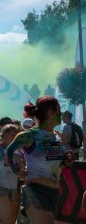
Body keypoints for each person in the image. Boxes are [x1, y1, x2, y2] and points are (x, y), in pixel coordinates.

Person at [6, 96, 73, 224]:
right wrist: (16, 170)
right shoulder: (29, 135)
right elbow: (9, 150)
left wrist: (65, 162)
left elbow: (56, 166)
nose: (61, 114)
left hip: (54, 193)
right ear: (50, 112)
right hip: (35, 191)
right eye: (59, 110)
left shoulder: (55, 137)